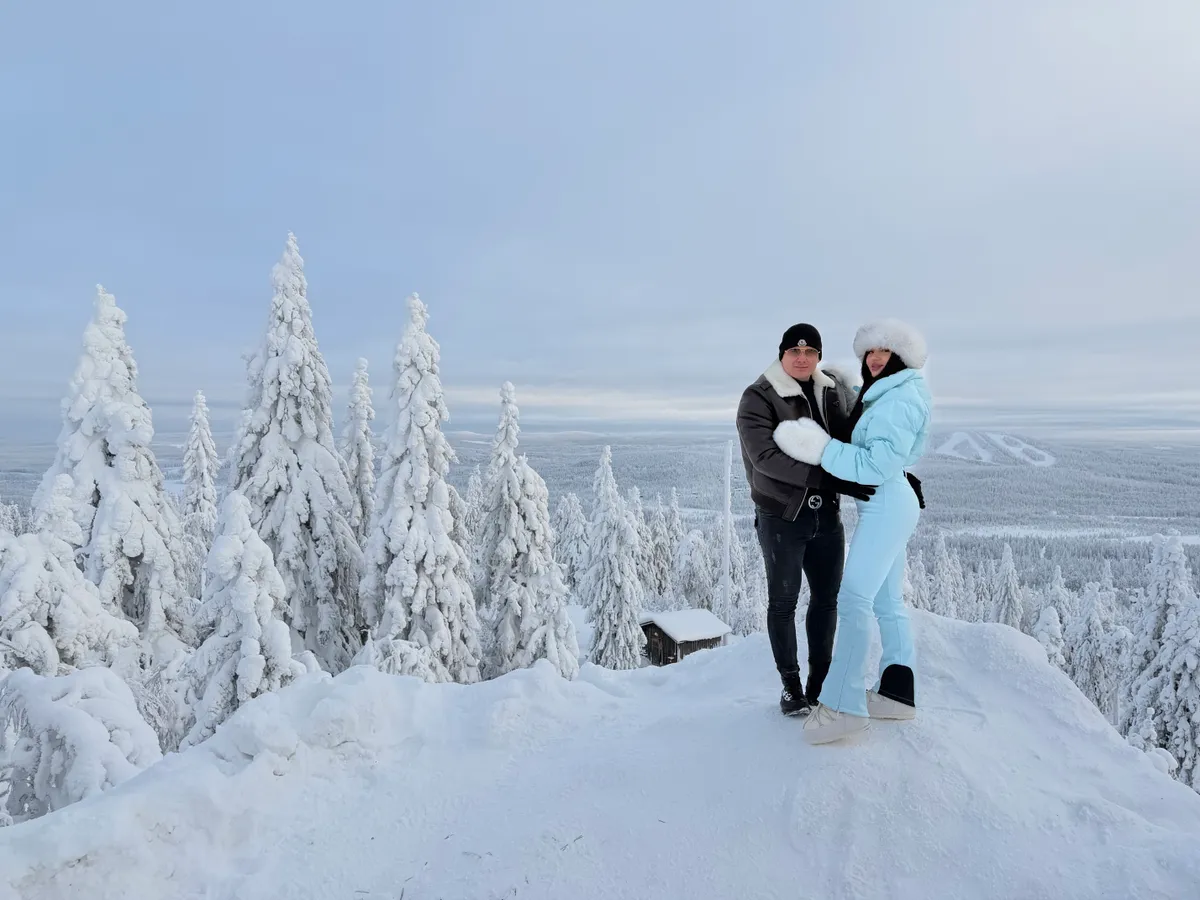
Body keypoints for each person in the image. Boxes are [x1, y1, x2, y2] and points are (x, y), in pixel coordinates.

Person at [772, 318, 931, 745]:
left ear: (901, 357)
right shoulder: (891, 393)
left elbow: (874, 465)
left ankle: (843, 707)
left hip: (885, 503)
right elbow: (881, 452)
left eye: (885, 352)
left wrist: (821, 450)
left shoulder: (898, 399)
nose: (876, 359)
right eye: (869, 353)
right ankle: (898, 692)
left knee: (854, 599)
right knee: (887, 600)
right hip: (890, 499)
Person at [736, 323, 877, 717]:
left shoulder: (829, 390)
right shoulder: (758, 397)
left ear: (818, 356)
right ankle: (791, 687)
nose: (802, 358)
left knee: (827, 600)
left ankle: (820, 684)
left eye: (810, 352)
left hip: (826, 515)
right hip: (783, 516)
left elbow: (852, 436)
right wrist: (827, 478)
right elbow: (765, 459)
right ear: (782, 354)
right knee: (783, 603)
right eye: (795, 352)